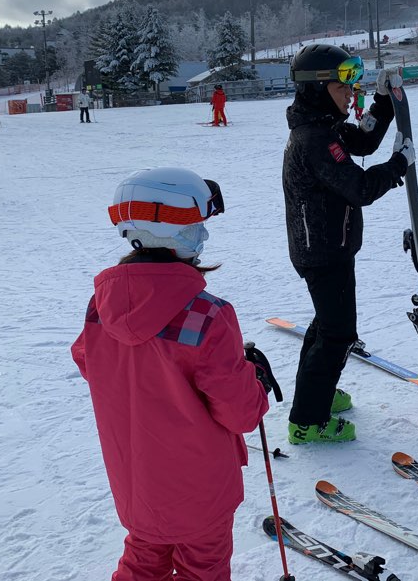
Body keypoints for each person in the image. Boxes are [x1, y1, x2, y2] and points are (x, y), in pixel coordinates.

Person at [71, 167, 271, 581]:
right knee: (203, 570)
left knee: (144, 559)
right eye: (196, 227)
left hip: (138, 488)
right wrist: (255, 381)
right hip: (199, 494)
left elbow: (89, 361)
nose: (204, 235)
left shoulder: (100, 307)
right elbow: (240, 414)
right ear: (170, 230)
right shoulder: (208, 315)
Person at [283, 44, 415, 444]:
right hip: (323, 253)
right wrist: (399, 164)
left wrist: (383, 103)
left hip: (328, 246)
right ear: (317, 87)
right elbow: (359, 188)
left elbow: (363, 141)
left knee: (327, 327)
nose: (350, 92)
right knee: (338, 333)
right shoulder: (314, 139)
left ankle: (316, 394)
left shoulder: (326, 126)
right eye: (342, 85)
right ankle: (308, 421)